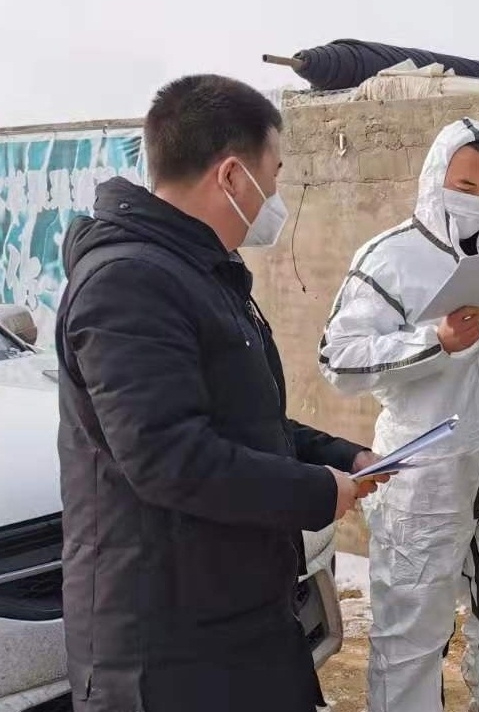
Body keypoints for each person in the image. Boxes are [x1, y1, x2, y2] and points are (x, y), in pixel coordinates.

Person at [55, 74, 382, 712]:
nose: (276, 196)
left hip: (233, 617)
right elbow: (169, 457)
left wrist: (344, 457)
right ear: (233, 176)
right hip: (167, 648)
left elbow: (243, 418)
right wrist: (317, 491)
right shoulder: (128, 283)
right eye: (274, 174)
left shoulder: (198, 272)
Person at [318, 118, 479, 712]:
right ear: (436, 179)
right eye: (465, 186)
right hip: (425, 482)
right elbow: (338, 358)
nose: (478, 201)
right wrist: (433, 340)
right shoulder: (390, 258)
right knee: (411, 637)